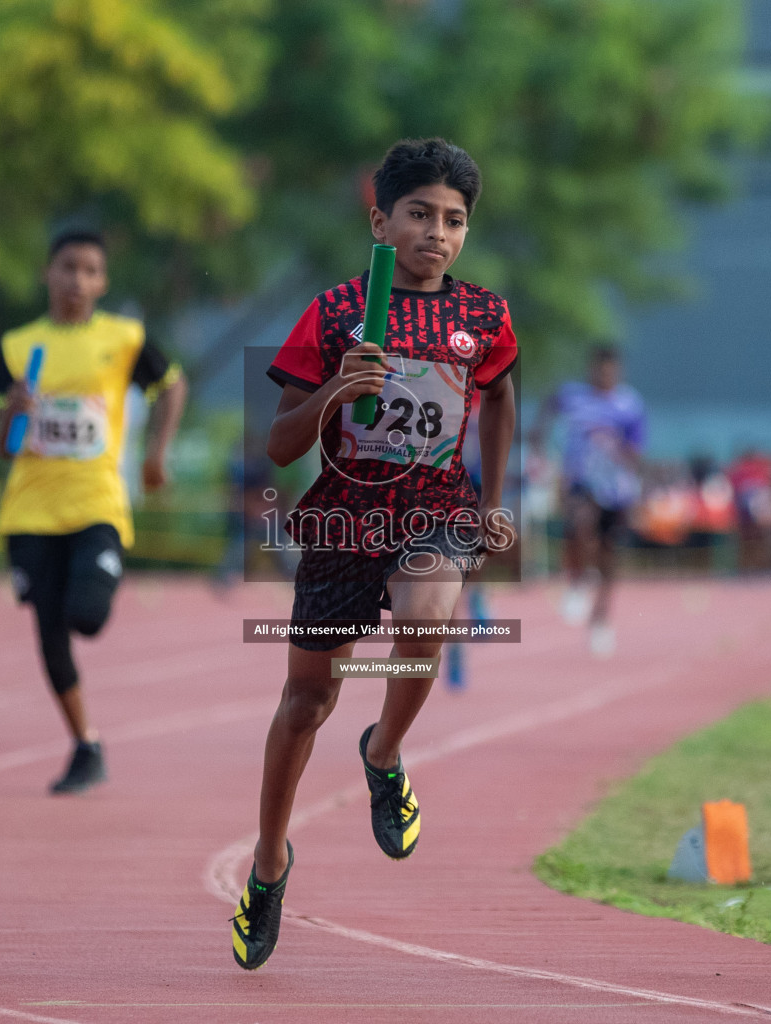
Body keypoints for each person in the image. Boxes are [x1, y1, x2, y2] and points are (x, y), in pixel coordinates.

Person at [231, 138, 517, 970]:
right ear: (380, 221)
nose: (438, 233)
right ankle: (270, 862)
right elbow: (282, 447)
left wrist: (491, 503)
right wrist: (335, 392)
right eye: (421, 215)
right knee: (306, 701)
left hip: (433, 509)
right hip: (344, 517)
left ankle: (384, 753)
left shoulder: (485, 318)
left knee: (429, 618)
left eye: (455, 220)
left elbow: (498, 401)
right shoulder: (333, 314)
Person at [0, 228, 187, 795]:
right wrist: (14, 409)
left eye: (89, 270)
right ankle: (85, 744)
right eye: (67, 268)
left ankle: (99, 581)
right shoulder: (14, 346)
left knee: (88, 616)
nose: (77, 280)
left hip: (97, 503)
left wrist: (156, 453)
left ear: (102, 282)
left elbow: (172, 387)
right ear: (48, 274)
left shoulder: (124, 338)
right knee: (49, 631)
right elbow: (3, 444)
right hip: (30, 511)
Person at [534, 346, 645, 657]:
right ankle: (579, 581)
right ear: (591, 369)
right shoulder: (575, 396)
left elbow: (637, 449)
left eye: (610, 371)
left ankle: (601, 619)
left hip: (617, 486)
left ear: (618, 372)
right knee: (579, 524)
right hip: (581, 479)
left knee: (610, 554)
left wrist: (615, 448)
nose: (604, 376)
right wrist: (539, 436)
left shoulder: (630, 404)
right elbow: (550, 402)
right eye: (599, 370)